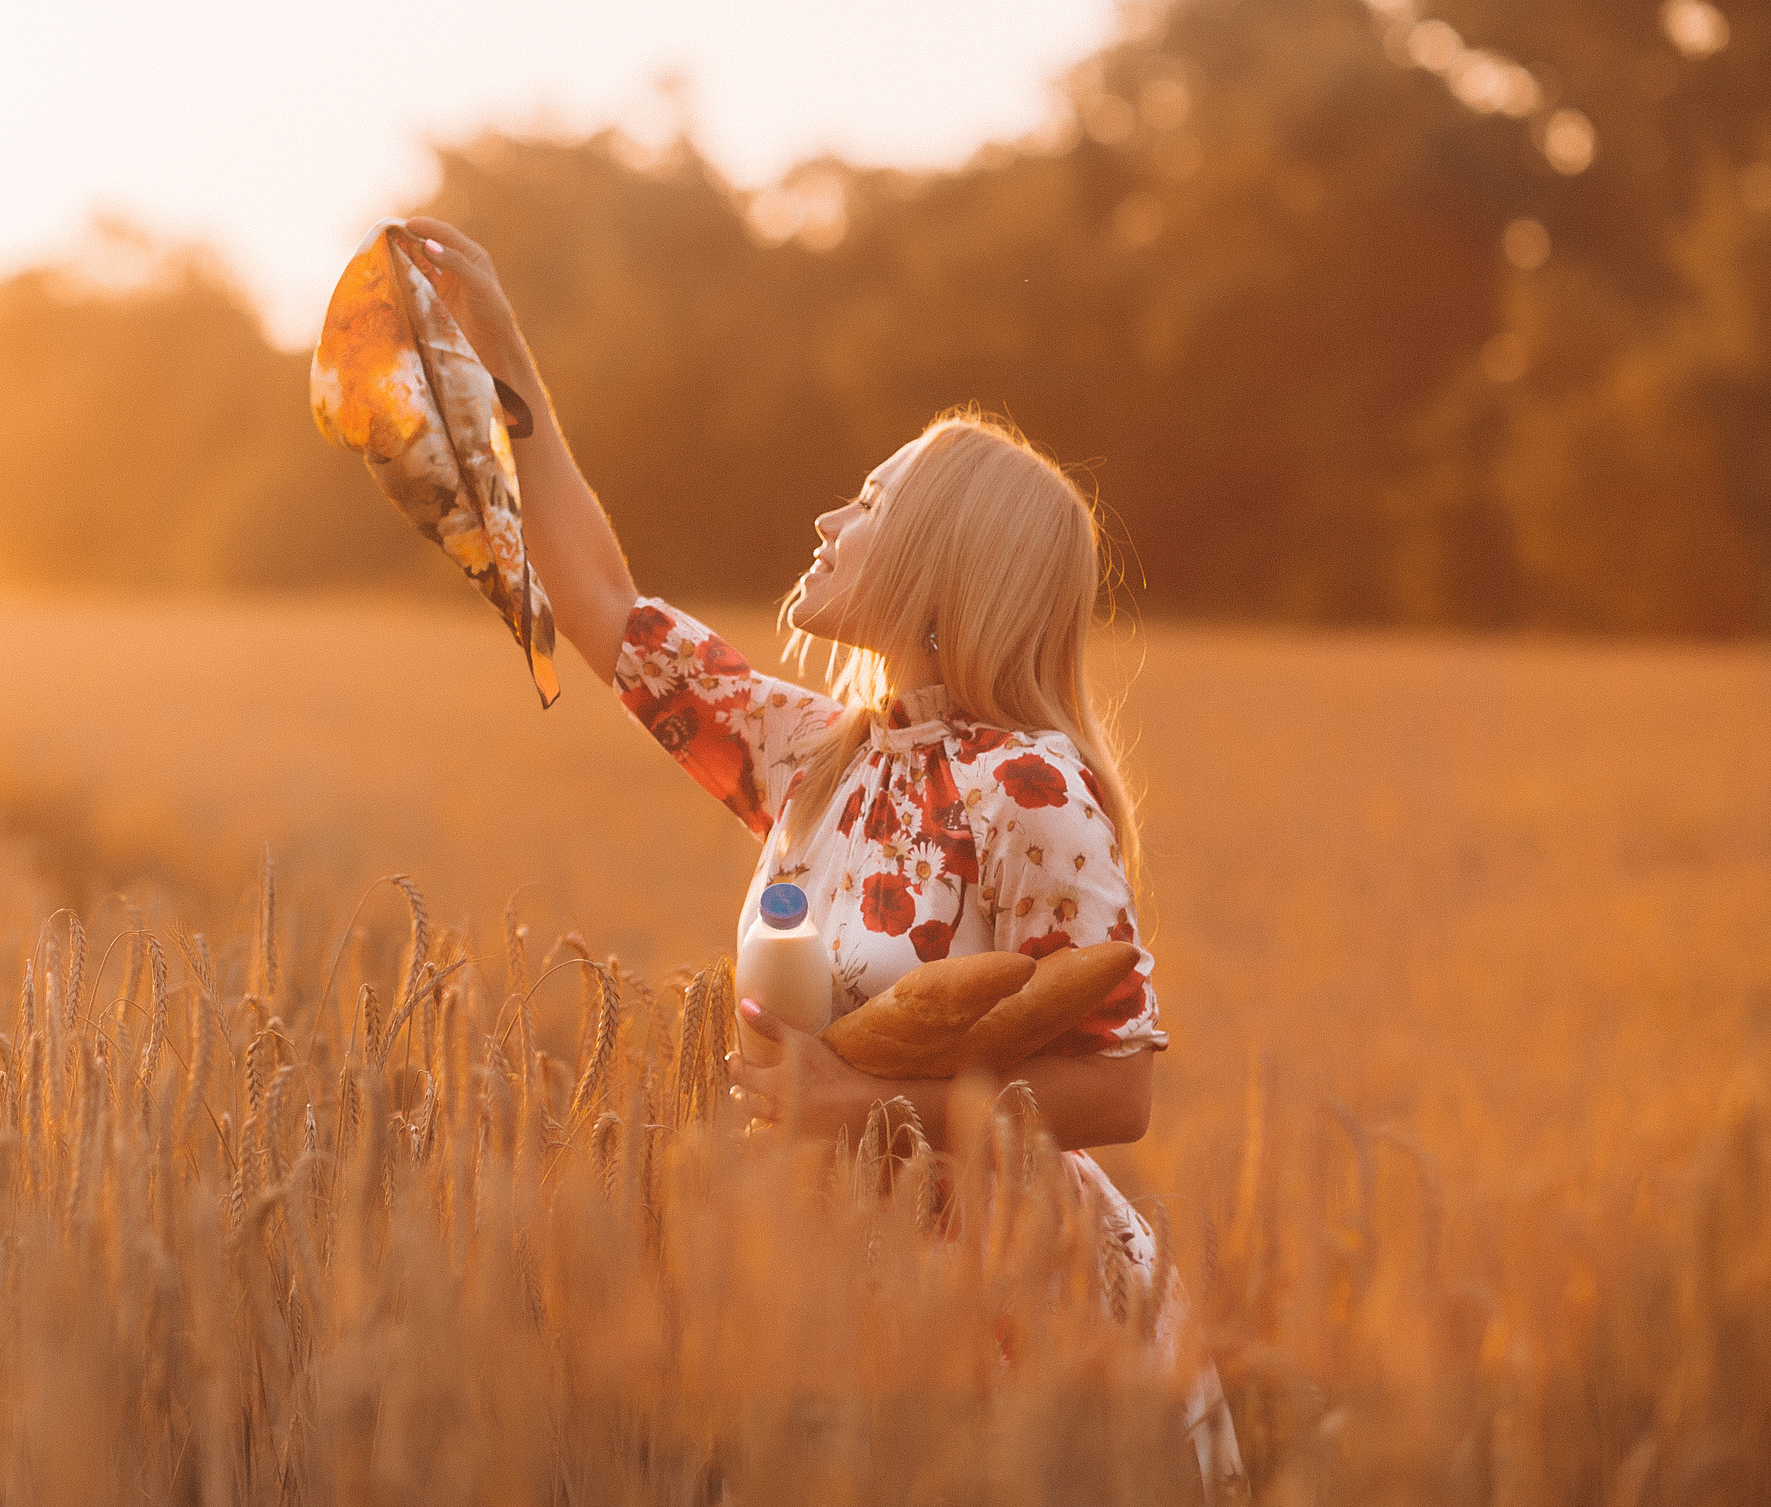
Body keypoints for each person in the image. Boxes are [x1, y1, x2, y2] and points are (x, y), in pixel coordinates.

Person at [401, 216, 1243, 1496]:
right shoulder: (821, 755)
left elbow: (1116, 1096)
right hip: (831, 1283)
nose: (826, 516)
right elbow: (603, 606)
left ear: (942, 561)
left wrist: (862, 1109)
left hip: (1013, 1311)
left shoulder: (1028, 785)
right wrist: (502, 359)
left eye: (870, 502)